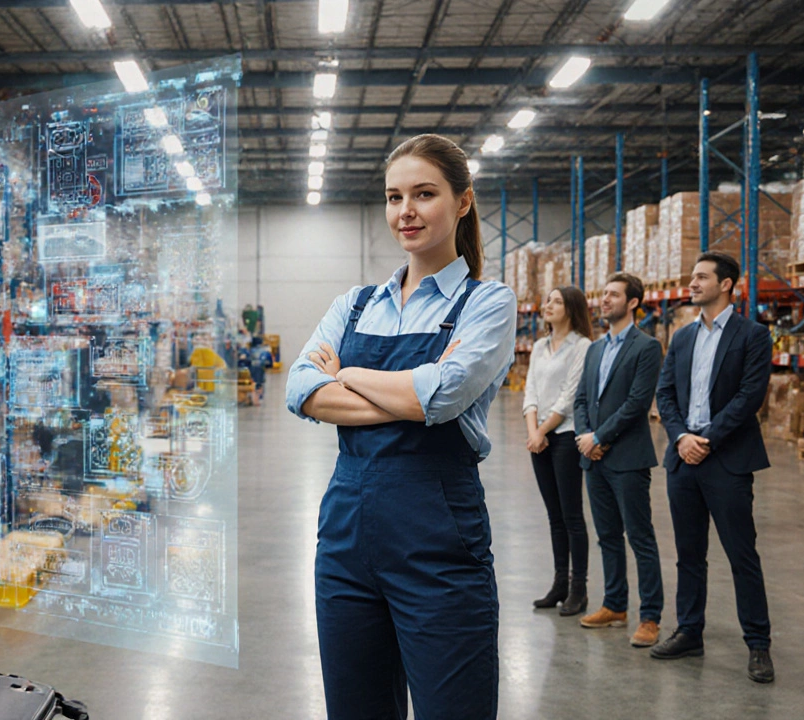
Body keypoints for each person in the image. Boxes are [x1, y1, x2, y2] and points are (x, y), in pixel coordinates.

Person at [285, 134, 515, 720]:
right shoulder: (355, 304)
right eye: (394, 197)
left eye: (424, 194)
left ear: (463, 201)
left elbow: (443, 395)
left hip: (438, 539)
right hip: (345, 539)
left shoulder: (487, 303)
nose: (405, 211)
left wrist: (348, 374)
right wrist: (410, 391)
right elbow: (300, 390)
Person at [651, 251, 775, 683]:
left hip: (727, 460)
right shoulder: (683, 337)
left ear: (726, 285)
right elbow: (665, 392)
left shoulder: (753, 335)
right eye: (692, 276)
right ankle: (689, 631)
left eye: (702, 277)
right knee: (689, 554)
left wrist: (706, 439)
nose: (693, 283)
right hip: (684, 459)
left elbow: (750, 396)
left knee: (742, 554)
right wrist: (681, 437)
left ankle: (758, 643)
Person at [572, 272, 665, 649]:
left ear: (633, 303)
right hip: (594, 460)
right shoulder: (595, 349)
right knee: (607, 535)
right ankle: (614, 605)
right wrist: (586, 438)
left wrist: (599, 437)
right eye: (604, 294)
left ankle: (650, 616)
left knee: (640, 537)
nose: (604, 300)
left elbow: (637, 404)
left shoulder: (647, 347)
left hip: (627, 458)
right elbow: (581, 399)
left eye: (613, 295)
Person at [522, 286, 593, 615]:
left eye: (557, 301)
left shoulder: (582, 346)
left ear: (571, 309)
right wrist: (532, 431)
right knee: (554, 516)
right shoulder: (539, 346)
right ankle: (559, 583)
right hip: (538, 438)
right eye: (548, 300)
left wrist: (542, 431)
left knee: (571, 515)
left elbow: (569, 395)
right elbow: (531, 391)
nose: (548, 305)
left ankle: (579, 588)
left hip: (564, 436)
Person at [249, 336, 274, 402]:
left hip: (253, 369)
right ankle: (259, 393)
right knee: (260, 380)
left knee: (255, 380)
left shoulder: (251, 351)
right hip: (260, 368)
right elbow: (269, 363)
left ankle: (256, 393)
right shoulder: (265, 351)